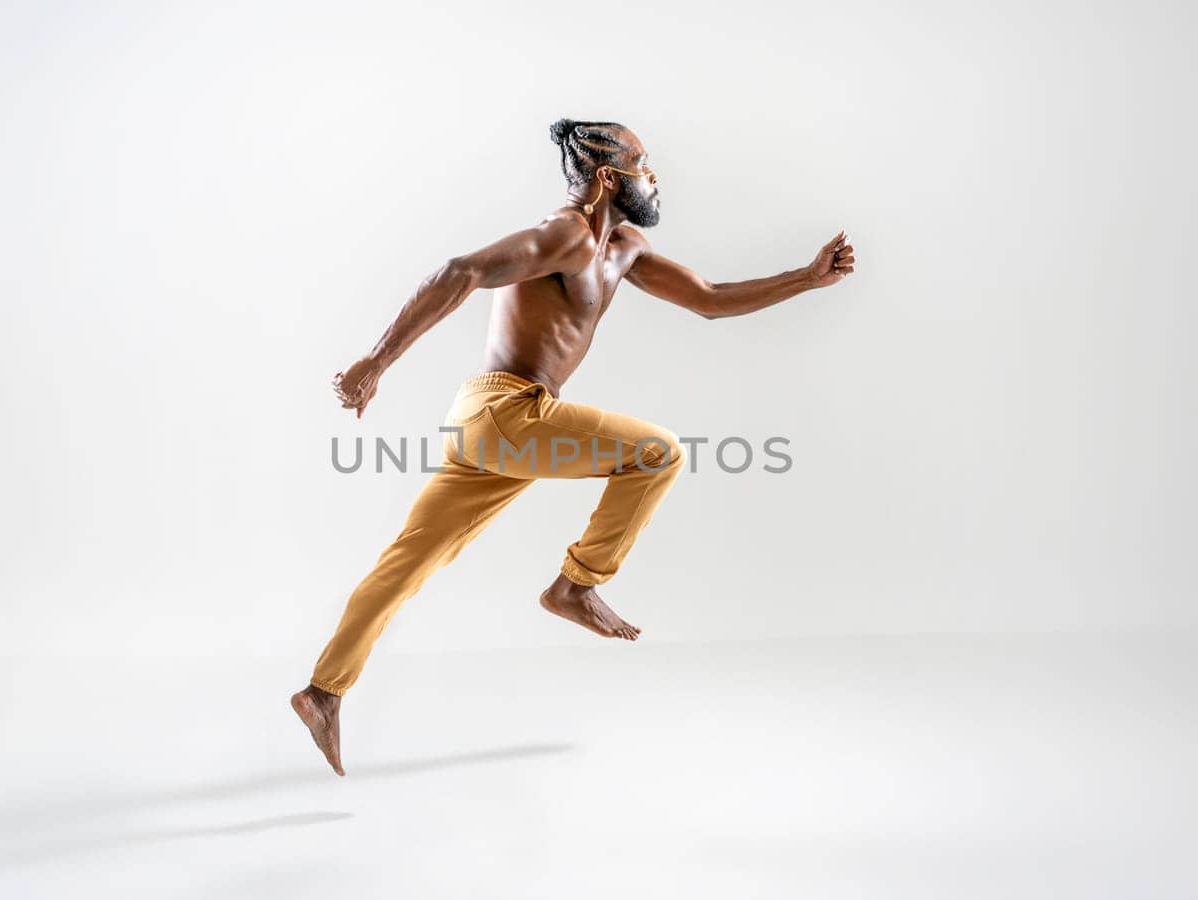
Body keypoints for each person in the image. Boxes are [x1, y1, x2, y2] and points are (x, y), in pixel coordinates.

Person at [291, 118, 856, 775]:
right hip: (507, 412)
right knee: (659, 452)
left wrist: (807, 279)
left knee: (403, 566)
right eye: (644, 164)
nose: (654, 176)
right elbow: (462, 269)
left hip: (496, 426)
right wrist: (376, 362)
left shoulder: (625, 248)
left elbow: (709, 299)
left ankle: (323, 691)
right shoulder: (564, 235)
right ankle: (575, 585)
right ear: (610, 178)